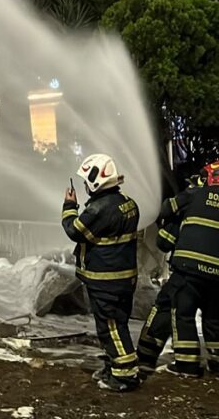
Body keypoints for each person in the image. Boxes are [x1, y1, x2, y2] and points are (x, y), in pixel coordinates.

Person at [156, 159, 219, 377]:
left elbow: (165, 209)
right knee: (216, 320)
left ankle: (187, 367)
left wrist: (188, 191)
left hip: (189, 270)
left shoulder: (196, 195)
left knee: (183, 315)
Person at [61, 153, 141, 391]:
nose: (85, 185)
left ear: (96, 181)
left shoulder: (98, 209)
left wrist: (69, 206)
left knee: (111, 327)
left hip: (106, 280)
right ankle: (114, 366)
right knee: (117, 324)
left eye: (87, 180)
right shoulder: (128, 202)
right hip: (124, 278)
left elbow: (75, 230)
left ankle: (125, 376)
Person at [137, 169, 208, 372]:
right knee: (218, 316)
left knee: (176, 311)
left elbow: (165, 240)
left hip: (186, 270)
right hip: (216, 274)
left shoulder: (190, 201)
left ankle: (178, 363)